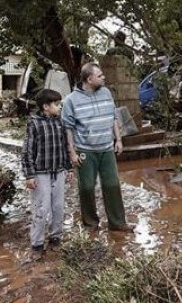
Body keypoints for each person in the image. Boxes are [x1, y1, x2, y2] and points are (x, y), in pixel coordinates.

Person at [61, 63, 133, 232]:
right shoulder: (71, 100)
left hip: (107, 148)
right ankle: (91, 223)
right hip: (85, 150)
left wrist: (118, 140)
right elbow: (68, 128)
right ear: (89, 79)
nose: (103, 77)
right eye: (100, 76)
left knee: (112, 185)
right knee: (86, 187)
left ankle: (117, 223)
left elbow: (113, 117)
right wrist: (72, 153)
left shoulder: (106, 93)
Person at [21, 89, 72, 259]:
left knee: (58, 206)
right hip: (40, 173)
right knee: (41, 207)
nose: (60, 107)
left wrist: (69, 168)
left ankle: (55, 237)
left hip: (58, 171)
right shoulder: (34, 123)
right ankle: (37, 243)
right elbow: (27, 151)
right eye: (56, 104)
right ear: (45, 106)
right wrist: (29, 175)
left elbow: (64, 146)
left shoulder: (60, 122)